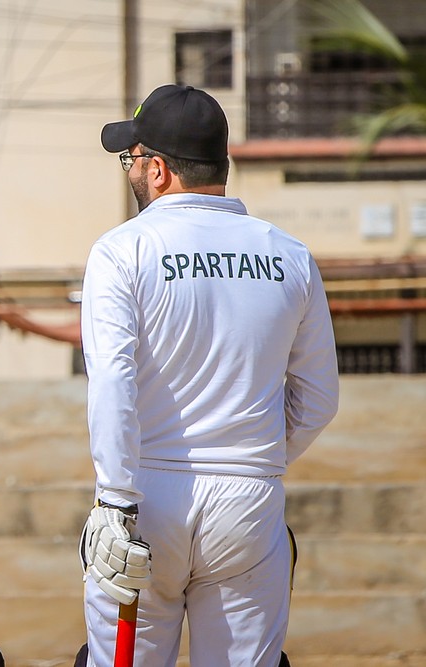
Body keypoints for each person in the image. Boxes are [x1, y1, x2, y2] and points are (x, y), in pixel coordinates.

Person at [76, 84, 339, 667]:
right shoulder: (290, 254)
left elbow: (113, 383)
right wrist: (253, 459)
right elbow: (319, 398)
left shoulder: (121, 250)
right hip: (249, 499)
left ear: (158, 169)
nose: (131, 171)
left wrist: (116, 498)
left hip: (144, 493)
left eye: (132, 159)